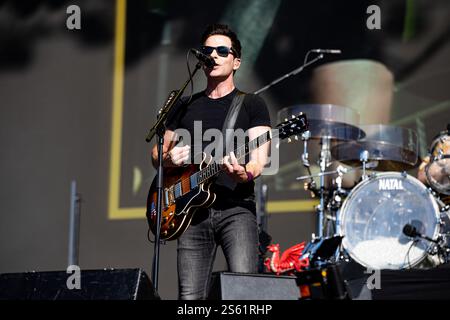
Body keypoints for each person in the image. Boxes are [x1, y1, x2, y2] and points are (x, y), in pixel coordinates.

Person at [151, 23, 272, 300]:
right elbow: (157, 155)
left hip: (236, 210)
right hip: (191, 214)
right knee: (189, 298)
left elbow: (259, 160)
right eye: (207, 51)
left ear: (236, 61)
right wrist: (169, 158)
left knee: (245, 294)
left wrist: (244, 174)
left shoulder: (252, 104)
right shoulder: (183, 105)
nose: (213, 55)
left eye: (221, 50)